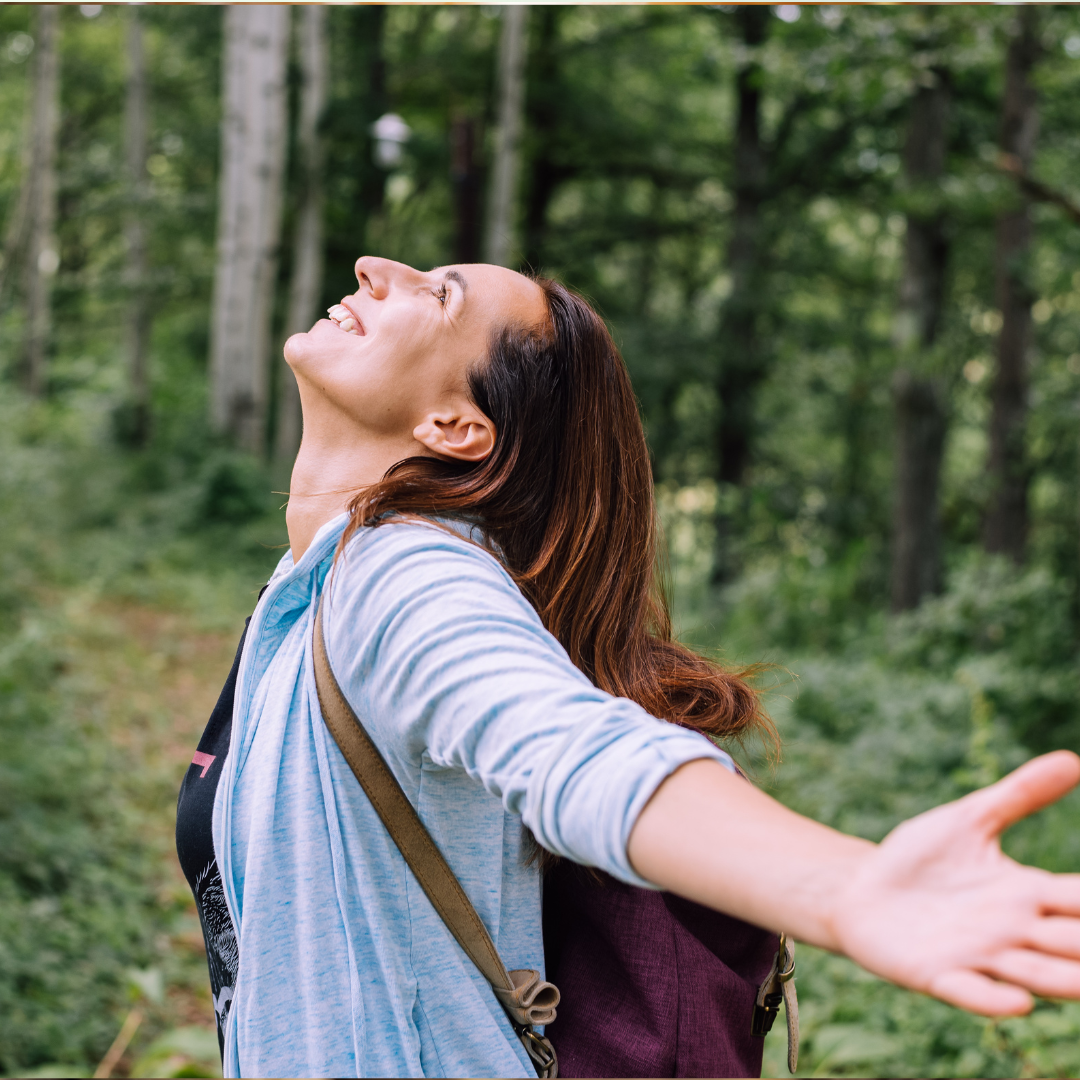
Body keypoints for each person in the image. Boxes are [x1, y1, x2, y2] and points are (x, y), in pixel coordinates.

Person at [176, 257, 1080, 1080]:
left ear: (455, 426)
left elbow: (572, 748)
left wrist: (843, 890)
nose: (377, 268)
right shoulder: (309, 586)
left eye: (439, 293)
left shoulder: (404, 573)